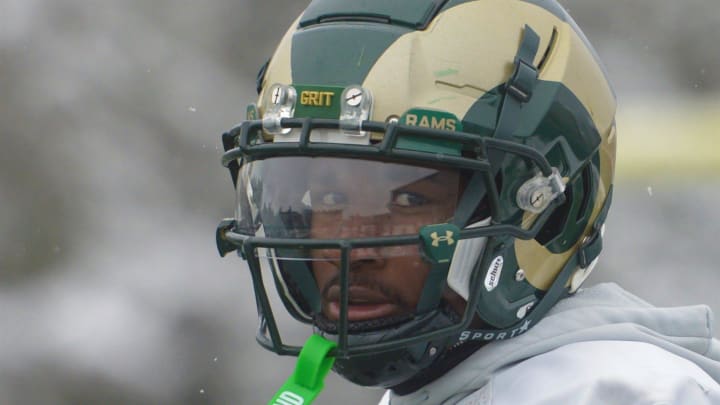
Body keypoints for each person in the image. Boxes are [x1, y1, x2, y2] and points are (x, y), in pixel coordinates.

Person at [215, 0, 720, 403]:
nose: (351, 244)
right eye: (327, 196)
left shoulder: (607, 392)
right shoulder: (463, 385)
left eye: (407, 197)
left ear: (551, 217)